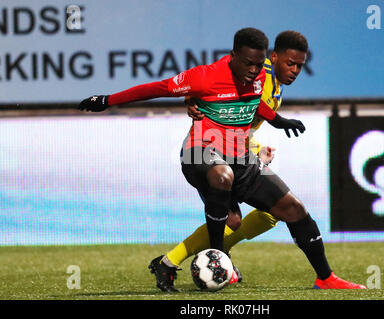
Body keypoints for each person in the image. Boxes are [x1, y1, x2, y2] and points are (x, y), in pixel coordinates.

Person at [79, 27, 366, 293]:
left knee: (291, 209)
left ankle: (325, 277)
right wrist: (108, 100)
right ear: (233, 57)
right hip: (199, 152)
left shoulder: (262, 77)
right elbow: (157, 88)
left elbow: (257, 103)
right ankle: (218, 256)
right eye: (249, 64)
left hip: (240, 156)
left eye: (258, 65)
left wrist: (278, 121)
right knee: (222, 176)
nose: (254, 71)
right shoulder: (205, 76)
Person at [158, 30, 309, 286]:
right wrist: (190, 98)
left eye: (299, 66)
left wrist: (256, 147)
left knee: (267, 215)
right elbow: (215, 89)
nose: (295, 70)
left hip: (239, 149)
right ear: (273, 57)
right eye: (290, 63)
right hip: (212, 150)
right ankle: (173, 261)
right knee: (235, 219)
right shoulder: (259, 77)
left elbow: (242, 121)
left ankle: (217, 257)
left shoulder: (274, 87)